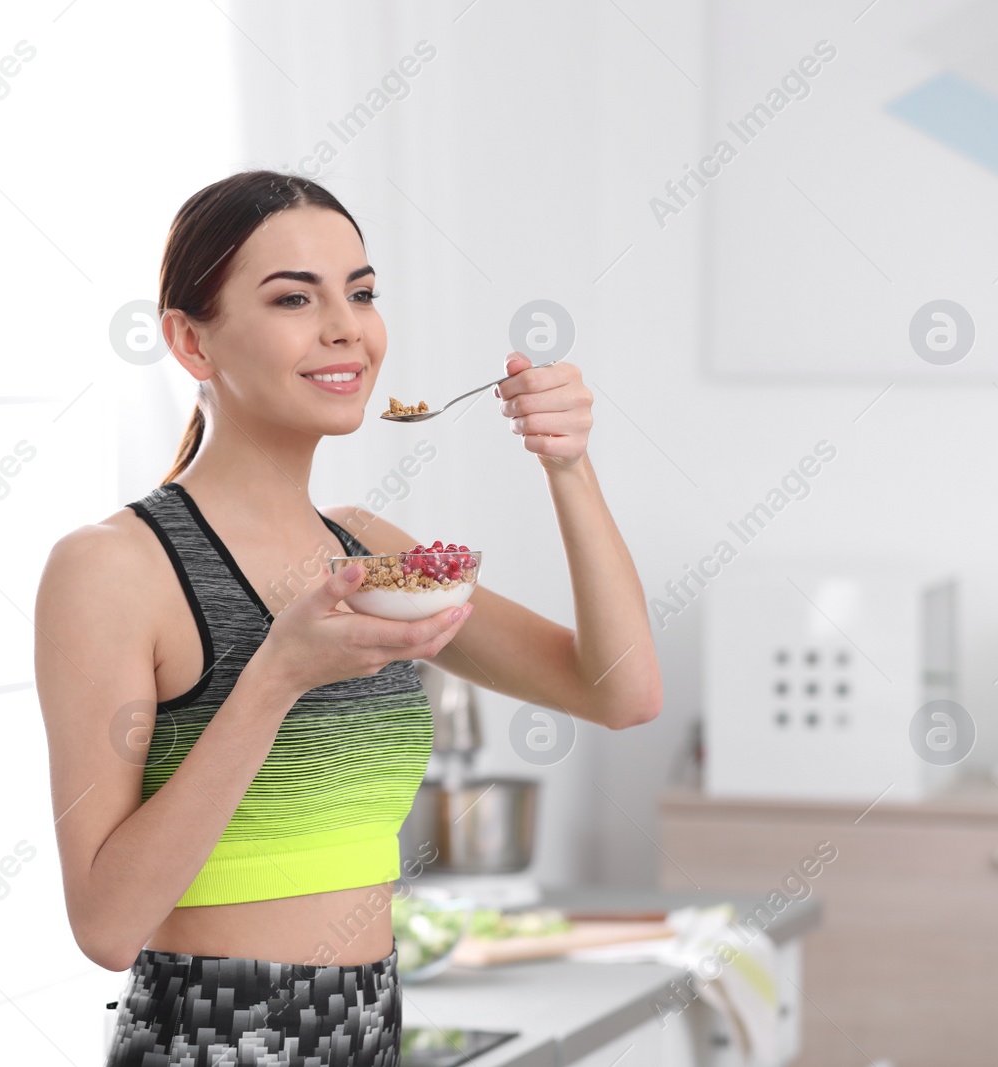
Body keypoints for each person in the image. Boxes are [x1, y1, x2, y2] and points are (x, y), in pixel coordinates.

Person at [33, 170, 662, 1065]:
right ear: (189, 341)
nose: (346, 327)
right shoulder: (113, 567)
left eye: (361, 293)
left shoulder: (366, 551)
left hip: (369, 1023)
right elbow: (105, 922)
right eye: (294, 296)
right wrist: (275, 677)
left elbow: (622, 690)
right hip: (212, 1033)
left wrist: (569, 467)